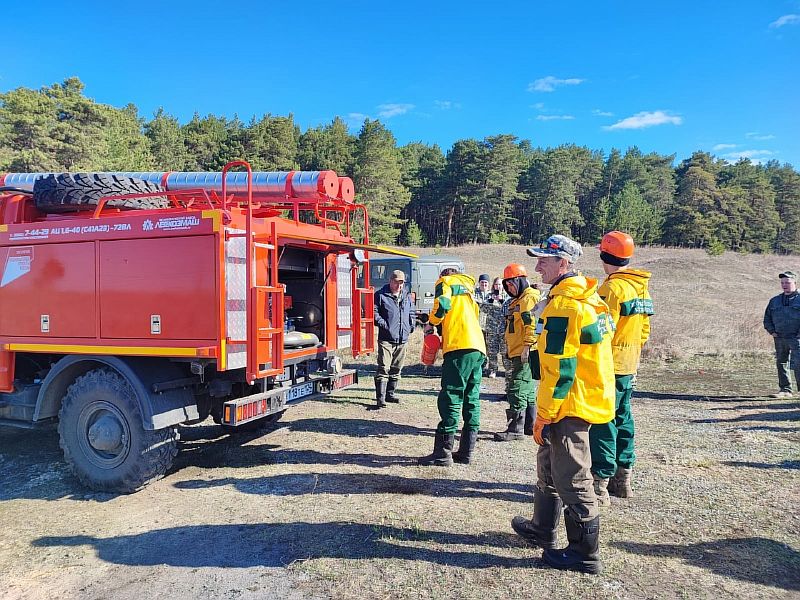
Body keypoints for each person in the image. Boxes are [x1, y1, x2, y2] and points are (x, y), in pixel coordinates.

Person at [511, 234, 615, 574]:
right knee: (549, 465)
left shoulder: (566, 305)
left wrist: (545, 414)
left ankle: (584, 554)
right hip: (569, 398)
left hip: (569, 403)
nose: (537, 265)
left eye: (544, 260)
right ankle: (543, 528)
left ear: (564, 264)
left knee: (572, 476)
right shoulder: (583, 298)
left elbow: (561, 369)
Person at [589, 231, 654, 507]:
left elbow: (602, 331)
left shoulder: (611, 289)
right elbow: (644, 331)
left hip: (609, 365)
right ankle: (623, 478)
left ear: (605, 255)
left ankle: (600, 484)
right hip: (629, 365)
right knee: (623, 418)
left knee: (603, 421)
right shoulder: (641, 287)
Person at [418, 268, 486, 466]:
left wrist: (431, 323)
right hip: (478, 347)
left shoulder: (445, 282)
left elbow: (443, 305)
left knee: (451, 396)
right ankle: (466, 452)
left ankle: (442, 453)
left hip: (458, 347)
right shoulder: (469, 291)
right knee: (472, 398)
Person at [494, 263, 540, 441]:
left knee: (517, 388)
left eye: (511, 284)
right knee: (527, 389)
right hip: (517, 350)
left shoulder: (528, 299)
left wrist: (527, 346)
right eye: (506, 286)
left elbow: (532, 325)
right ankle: (530, 425)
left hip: (523, 352)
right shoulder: (519, 300)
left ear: (519, 281)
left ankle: (516, 428)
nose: (509, 288)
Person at [373, 269, 416, 408]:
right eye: (396, 282)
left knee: (397, 368)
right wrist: (385, 325)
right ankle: (380, 399)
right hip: (386, 338)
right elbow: (374, 313)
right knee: (383, 367)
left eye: (401, 283)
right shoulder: (380, 295)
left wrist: (411, 325)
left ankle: (390, 395)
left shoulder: (406, 296)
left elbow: (412, 312)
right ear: (390, 281)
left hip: (402, 338)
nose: (399, 285)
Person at [763, 270, 800, 399]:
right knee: (781, 363)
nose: (785, 285)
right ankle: (785, 390)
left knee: (798, 364)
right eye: (782, 283)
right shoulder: (775, 301)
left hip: (797, 338)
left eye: (788, 282)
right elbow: (767, 317)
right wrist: (772, 331)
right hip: (780, 338)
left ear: (795, 283)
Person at [479, 276, 506, 378]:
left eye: (500, 284)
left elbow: (510, 309)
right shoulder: (489, 296)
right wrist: (490, 301)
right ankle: (492, 370)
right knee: (492, 351)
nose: (498, 286)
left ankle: (507, 370)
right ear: (493, 285)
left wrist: (502, 300)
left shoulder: (507, 295)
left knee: (504, 351)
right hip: (491, 328)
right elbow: (482, 309)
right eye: (496, 284)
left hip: (503, 329)